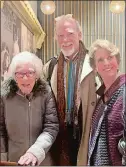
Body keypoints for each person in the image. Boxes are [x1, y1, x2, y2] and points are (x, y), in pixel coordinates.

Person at [43, 14, 101, 165]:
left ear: (80, 35)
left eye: (70, 34)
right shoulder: (50, 66)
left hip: (85, 131)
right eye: (60, 35)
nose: (65, 40)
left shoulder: (95, 65)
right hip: (59, 135)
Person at [0, 51, 59, 166]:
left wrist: (35, 153)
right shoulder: (4, 96)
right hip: (14, 161)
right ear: (14, 77)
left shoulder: (46, 93)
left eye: (30, 73)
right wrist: (2, 159)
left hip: (41, 160)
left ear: (36, 76)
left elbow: (51, 127)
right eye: (20, 73)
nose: (25, 77)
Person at [88, 39, 126, 166]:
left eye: (110, 57)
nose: (106, 63)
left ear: (118, 61)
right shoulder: (100, 98)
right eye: (100, 60)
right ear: (95, 68)